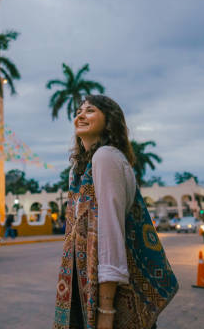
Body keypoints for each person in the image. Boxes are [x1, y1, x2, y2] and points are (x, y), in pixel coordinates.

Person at [53, 95, 177, 329]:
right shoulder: (78, 170)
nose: (80, 115)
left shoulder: (106, 157)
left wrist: (106, 311)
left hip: (109, 292)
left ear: (109, 120)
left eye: (90, 111)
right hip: (83, 286)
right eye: (79, 111)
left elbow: (110, 232)